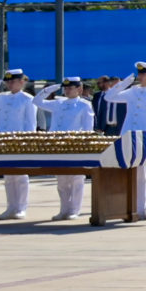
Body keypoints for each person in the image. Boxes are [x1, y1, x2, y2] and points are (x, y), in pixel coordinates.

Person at [105, 63, 146, 218]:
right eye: (139, 74)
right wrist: (125, 82)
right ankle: (139, 209)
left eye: (143, 74)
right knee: (137, 176)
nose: (140, 77)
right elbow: (109, 97)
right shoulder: (132, 91)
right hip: (132, 138)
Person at [0, 70, 42, 219]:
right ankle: (10, 207)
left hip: (19, 140)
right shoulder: (1, 98)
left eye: (13, 81)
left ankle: (21, 208)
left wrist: (27, 142)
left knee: (21, 175)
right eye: (8, 81)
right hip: (3, 140)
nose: (10, 84)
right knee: (8, 176)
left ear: (22, 82)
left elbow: (31, 123)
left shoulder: (28, 99)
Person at [39, 78, 98, 218]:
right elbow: (37, 101)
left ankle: (74, 210)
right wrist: (50, 88)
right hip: (58, 145)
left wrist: (85, 146)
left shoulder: (84, 105)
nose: (67, 90)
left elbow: (88, 128)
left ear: (79, 89)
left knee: (76, 179)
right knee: (61, 180)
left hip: (75, 145)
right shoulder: (58, 103)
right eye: (65, 88)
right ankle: (64, 209)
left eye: (71, 88)